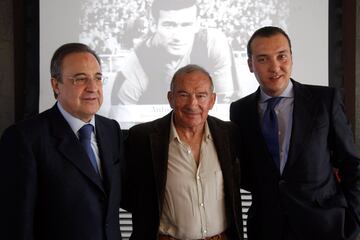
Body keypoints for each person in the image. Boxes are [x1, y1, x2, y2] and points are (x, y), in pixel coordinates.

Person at [230, 26, 360, 240]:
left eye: (282, 56)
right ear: (250, 65)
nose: (275, 67)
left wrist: (354, 223)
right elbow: (246, 172)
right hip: (266, 228)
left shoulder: (324, 100)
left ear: (291, 57)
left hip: (326, 228)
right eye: (263, 59)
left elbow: (351, 164)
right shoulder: (240, 110)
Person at [0, 43, 124, 240]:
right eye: (80, 79)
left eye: (98, 78)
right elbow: (16, 224)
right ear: (56, 85)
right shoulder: (24, 138)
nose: (92, 87)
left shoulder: (111, 130)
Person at [123, 64, 243, 239]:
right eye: (183, 95)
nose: (192, 104)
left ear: (212, 100)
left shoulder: (229, 134)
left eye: (201, 96)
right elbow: (126, 194)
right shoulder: (142, 138)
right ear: (170, 98)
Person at [110, 0, 240, 106]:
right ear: (153, 25)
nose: (178, 36)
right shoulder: (136, 66)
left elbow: (227, 103)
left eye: (186, 25)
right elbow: (123, 123)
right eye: (169, 25)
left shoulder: (211, 43)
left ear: (197, 24)